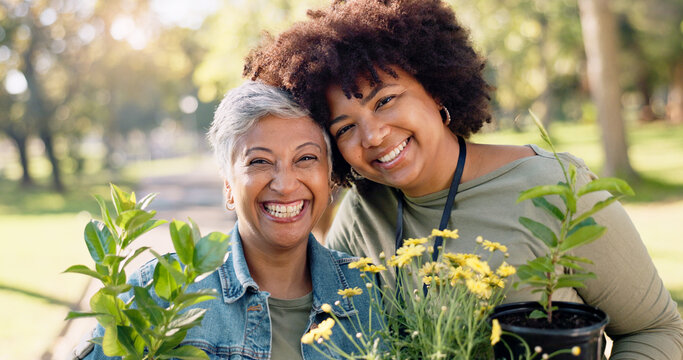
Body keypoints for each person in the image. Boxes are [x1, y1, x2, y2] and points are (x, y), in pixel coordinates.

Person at [244, 0, 683, 358]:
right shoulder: (361, 216)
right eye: (344, 128)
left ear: (435, 89)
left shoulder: (556, 188)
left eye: (386, 101)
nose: (373, 136)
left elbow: (659, 331)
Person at [75, 81, 377, 360]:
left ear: (329, 178)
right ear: (229, 188)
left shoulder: (370, 292)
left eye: (306, 158)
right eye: (259, 161)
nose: (285, 185)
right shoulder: (156, 293)